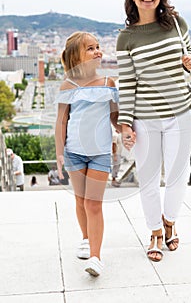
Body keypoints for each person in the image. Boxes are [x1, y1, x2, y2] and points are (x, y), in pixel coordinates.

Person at [116, 0, 191, 262]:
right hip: (144, 118)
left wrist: (190, 62)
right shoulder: (126, 38)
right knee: (148, 179)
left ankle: (170, 221)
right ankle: (155, 231)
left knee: (180, 174)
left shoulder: (176, 23)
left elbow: (189, 58)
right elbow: (127, 83)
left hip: (180, 113)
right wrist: (125, 124)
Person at [55, 31, 121, 276]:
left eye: (98, 47)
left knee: (94, 204)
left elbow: (115, 117)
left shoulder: (108, 84)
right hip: (74, 153)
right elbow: (61, 122)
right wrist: (59, 153)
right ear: (76, 58)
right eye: (90, 49)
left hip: (100, 153)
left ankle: (96, 256)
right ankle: (85, 238)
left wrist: (125, 130)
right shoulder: (67, 86)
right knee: (80, 201)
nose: (97, 52)